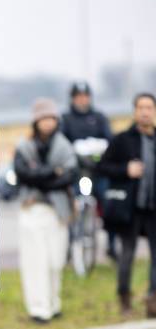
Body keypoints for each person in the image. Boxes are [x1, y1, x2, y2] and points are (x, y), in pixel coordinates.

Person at [14, 98, 78, 322]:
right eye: (43, 118)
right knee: (34, 262)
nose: (47, 122)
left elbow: (70, 174)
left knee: (55, 260)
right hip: (32, 209)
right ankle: (39, 309)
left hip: (57, 211)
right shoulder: (24, 146)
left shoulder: (64, 145)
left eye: (51, 117)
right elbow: (23, 174)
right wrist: (53, 172)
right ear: (35, 121)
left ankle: (54, 303)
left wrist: (40, 175)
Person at [97, 92, 156, 317]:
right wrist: (125, 170)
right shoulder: (122, 139)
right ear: (135, 111)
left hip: (153, 209)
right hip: (129, 209)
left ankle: (153, 301)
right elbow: (102, 167)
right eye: (141, 107)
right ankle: (125, 300)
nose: (145, 111)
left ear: (154, 111)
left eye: (149, 107)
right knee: (127, 255)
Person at [61, 81, 117, 259]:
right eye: (78, 96)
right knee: (73, 206)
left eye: (85, 96)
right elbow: (62, 143)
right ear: (73, 98)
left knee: (109, 204)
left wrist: (99, 148)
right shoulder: (66, 118)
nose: (82, 99)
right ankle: (71, 245)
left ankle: (111, 244)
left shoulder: (100, 117)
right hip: (77, 172)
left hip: (98, 171)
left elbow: (110, 140)